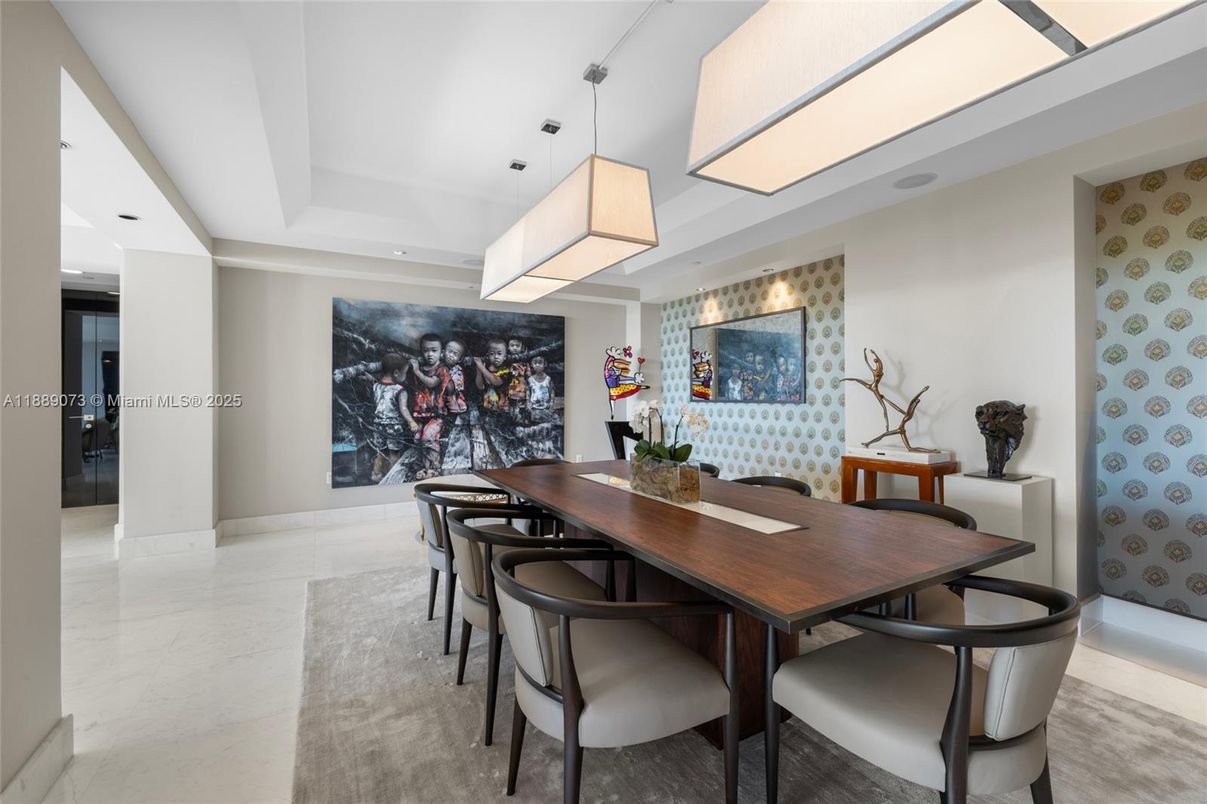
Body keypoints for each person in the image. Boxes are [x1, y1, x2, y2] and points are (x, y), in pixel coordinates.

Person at [368, 352, 419, 483]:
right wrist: (411, 422)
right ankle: (393, 478)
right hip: (393, 426)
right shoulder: (399, 390)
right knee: (394, 453)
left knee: (380, 452)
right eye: (405, 373)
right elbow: (403, 409)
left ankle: (376, 475)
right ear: (396, 372)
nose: (405, 376)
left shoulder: (376, 386)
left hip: (378, 424)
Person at [407, 333, 447, 480]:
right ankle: (424, 467)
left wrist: (416, 371)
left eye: (434, 350)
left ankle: (434, 468)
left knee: (428, 437)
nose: (429, 354)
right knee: (418, 438)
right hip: (421, 414)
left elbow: (431, 383)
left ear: (441, 352)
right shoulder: (420, 368)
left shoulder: (442, 369)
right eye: (425, 350)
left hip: (437, 414)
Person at [474, 338, 510, 412]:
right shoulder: (486, 368)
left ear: (505, 357)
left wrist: (481, 367)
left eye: (499, 354)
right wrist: (479, 371)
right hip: (487, 404)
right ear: (487, 356)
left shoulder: (505, 370)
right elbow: (480, 386)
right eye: (492, 354)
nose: (496, 357)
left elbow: (496, 382)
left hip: (502, 406)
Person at [505, 336, 530, 415]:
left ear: (522, 348)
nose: (515, 348)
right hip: (509, 390)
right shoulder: (506, 361)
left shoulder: (524, 363)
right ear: (508, 347)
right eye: (512, 345)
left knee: (520, 410)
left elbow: (528, 377)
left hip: (521, 389)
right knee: (510, 410)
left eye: (517, 346)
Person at [526, 355, 554, 421]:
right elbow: (528, 392)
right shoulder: (530, 379)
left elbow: (552, 392)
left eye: (540, 363)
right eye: (535, 363)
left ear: (545, 364)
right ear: (531, 365)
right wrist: (528, 403)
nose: (537, 365)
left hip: (546, 407)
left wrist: (551, 403)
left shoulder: (548, 379)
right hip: (533, 408)